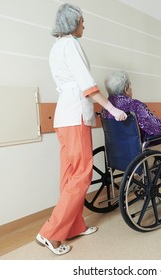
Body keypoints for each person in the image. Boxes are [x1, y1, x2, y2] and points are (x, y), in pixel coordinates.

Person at [36, 3, 127, 256]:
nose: (84, 25)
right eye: (82, 21)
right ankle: (50, 234)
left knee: (69, 176)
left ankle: (74, 225)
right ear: (72, 23)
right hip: (74, 116)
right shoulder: (70, 45)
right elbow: (86, 83)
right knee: (81, 175)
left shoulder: (56, 47)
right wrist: (112, 108)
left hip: (64, 118)